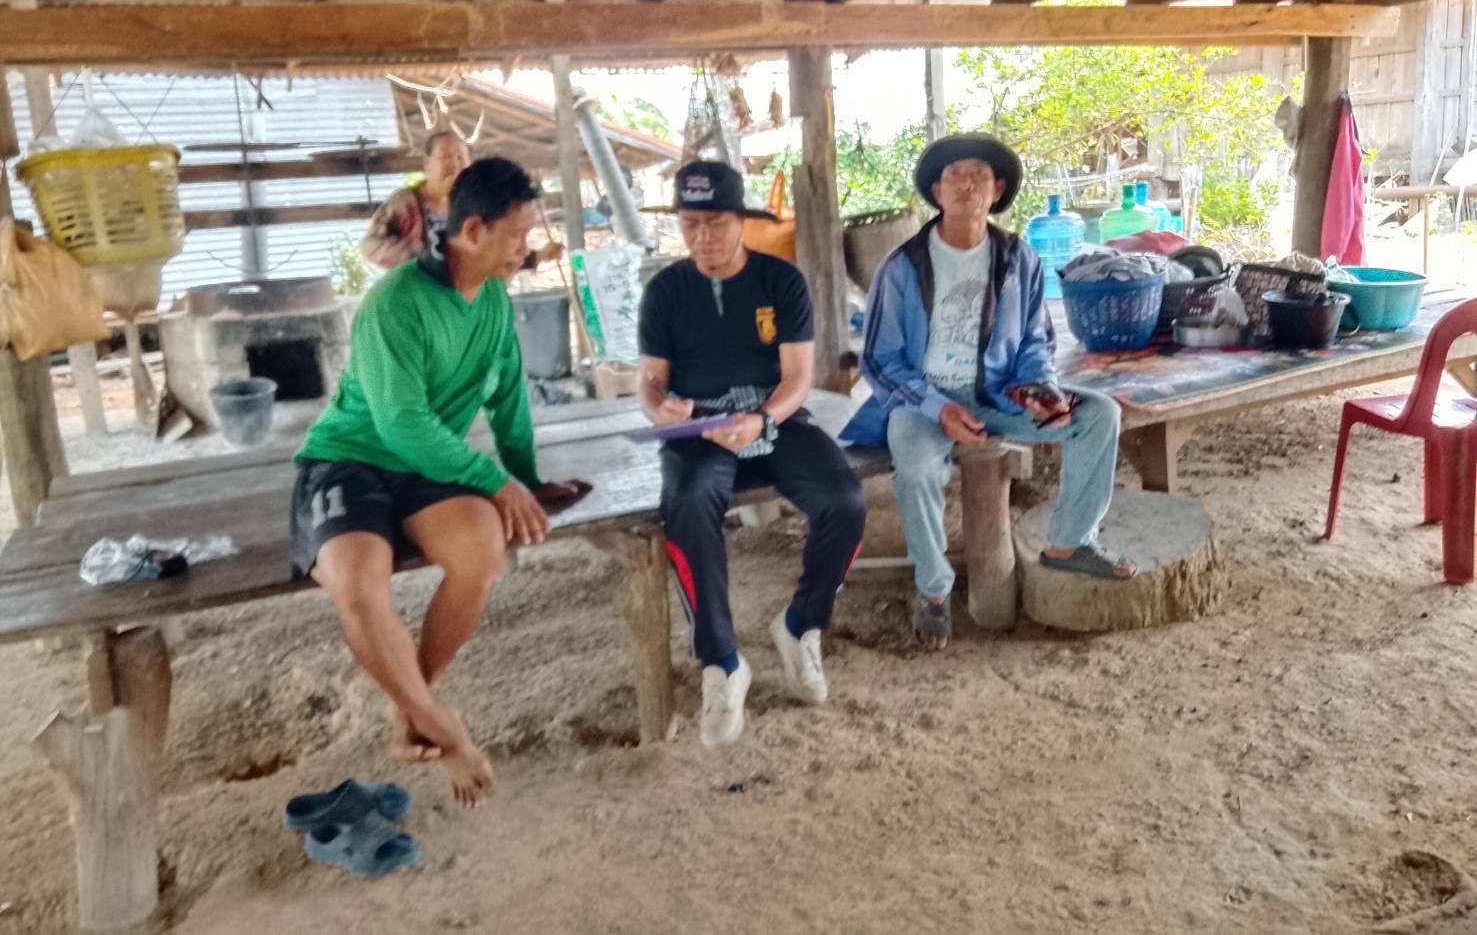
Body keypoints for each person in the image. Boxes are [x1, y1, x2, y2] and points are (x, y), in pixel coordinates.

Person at [292, 157, 590, 807]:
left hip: (428, 463)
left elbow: (508, 399)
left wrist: (526, 480)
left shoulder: (492, 302)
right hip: (348, 459)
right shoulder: (395, 304)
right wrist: (490, 477)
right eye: (517, 235)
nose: (526, 248)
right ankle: (442, 726)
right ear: (474, 230)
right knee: (358, 584)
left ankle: (413, 710)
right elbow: (400, 423)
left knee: (483, 545)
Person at [841, 134, 1135, 653]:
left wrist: (1040, 389)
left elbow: (1035, 340)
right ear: (936, 192)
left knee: (1099, 416)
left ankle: (1069, 543)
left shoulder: (1019, 258)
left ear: (996, 190)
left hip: (1002, 394)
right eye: (954, 175)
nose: (967, 185)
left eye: (978, 175)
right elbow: (882, 362)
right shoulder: (903, 265)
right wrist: (939, 408)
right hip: (922, 400)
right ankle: (934, 588)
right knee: (915, 468)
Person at [638, 160, 868, 749]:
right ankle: (721, 662)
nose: (703, 237)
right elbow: (651, 381)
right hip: (700, 425)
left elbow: (797, 377)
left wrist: (762, 418)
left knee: (845, 500)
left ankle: (800, 625)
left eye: (716, 223)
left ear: (742, 221)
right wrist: (662, 409)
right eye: (690, 225)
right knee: (688, 502)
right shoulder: (665, 291)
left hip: (773, 416)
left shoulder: (780, 281)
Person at [362, 131, 562, 272]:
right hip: (419, 299)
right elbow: (371, 246)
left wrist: (537, 257)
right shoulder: (405, 202)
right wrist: (424, 257)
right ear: (427, 163)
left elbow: (489, 254)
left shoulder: (477, 203)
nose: (455, 165)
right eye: (445, 157)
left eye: (461, 158)